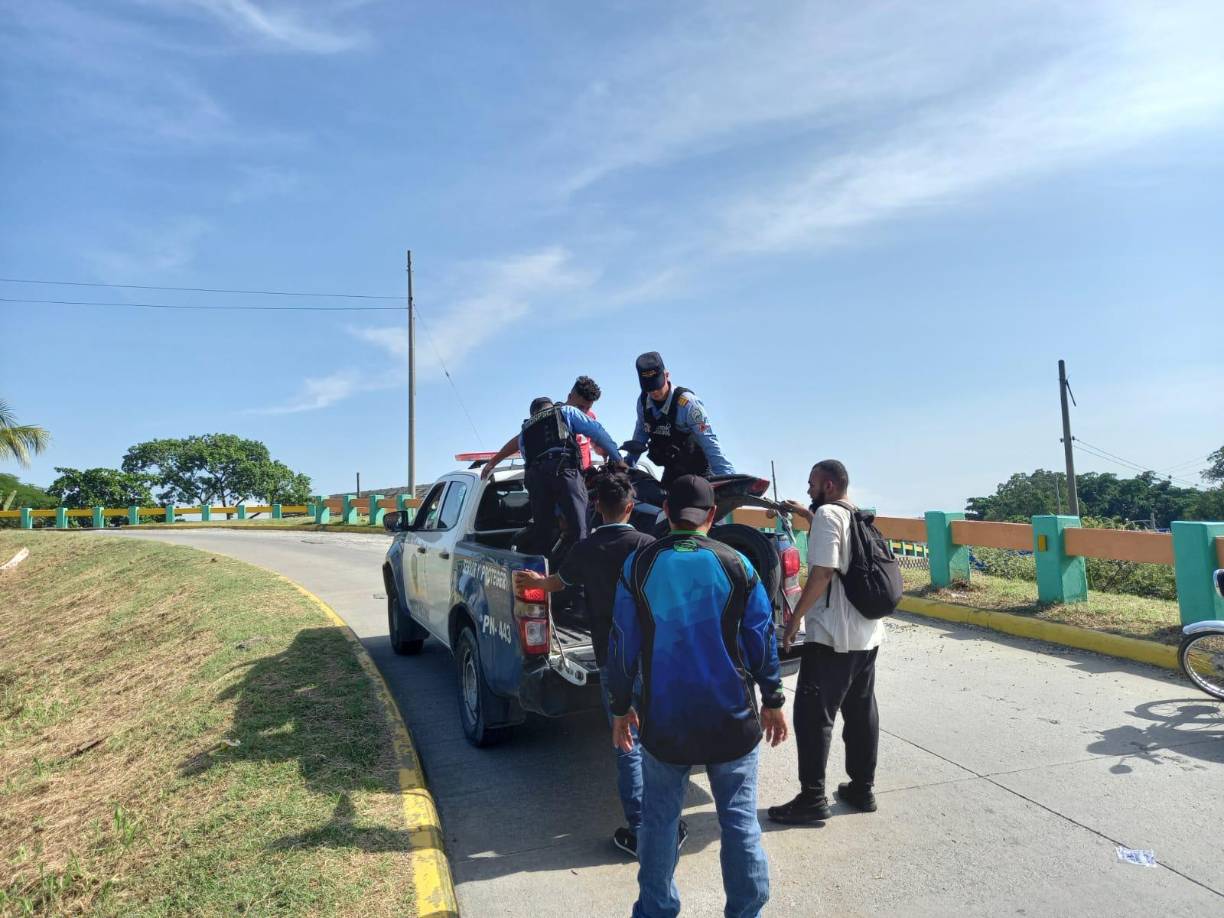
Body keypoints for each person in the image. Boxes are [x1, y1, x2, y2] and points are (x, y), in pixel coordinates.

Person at [607, 475, 788, 918]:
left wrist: (619, 707)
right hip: (733, 718)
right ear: (711, 516)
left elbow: (622, 642)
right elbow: (761, 639)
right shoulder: (737, 564)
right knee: (740, 822)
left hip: (664, 721)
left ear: (666, 512)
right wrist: (774, 700)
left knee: (659, 823)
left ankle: (655, 910)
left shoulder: (639, 566)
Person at [512, 469, 676, 857]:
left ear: (596, 507)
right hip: (652, 662)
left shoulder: (585, 549)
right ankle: (666, 825)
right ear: (631, 507)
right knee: (657, 746)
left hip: (612, 662)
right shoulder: (649, 544)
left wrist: (531, 582)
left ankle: (639, 831)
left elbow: (557, 585)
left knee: (627, 747)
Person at [768, 459, 883, 825]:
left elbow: (822, 572)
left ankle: (812, 798)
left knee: (812, 716)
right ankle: (862, 789)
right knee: (861, 712)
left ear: (828, 486)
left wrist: (794, 618)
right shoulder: (854, 514)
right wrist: (805, 514)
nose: (807, 489)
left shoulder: (831, 516)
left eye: (811, 484)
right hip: (867, 635)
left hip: (834, 637)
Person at [484, 394, 623, 563]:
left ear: (533, 414)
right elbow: (597, 432)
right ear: (550, 406)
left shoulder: (525, 432)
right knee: (581, 530)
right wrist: (618, 458)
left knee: (543, 534)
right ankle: (582, 580)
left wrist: (559, 512)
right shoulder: (565, 411)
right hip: (564, 471)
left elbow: (534, 468)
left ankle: (544, 576)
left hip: (536, 478)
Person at [627, 352, 734, 487]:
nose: (654, 392)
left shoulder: (688, 404)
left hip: (699, 472)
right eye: (649, 388)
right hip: (672, 470)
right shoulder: (643, 402)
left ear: (666, 375)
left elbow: (710, 442)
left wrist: (728, 479)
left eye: (657, 386)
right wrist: (627, 466)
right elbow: (641, 435)